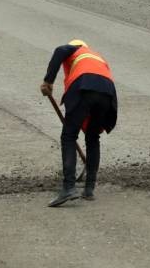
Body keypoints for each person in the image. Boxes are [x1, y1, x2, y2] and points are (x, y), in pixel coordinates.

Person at [39, 39, 118, 206]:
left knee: (68, 136)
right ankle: (89, 190)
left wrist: (48, 81)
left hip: (84, 85)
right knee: (93, 137)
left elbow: (59, 50)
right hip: (107, 91)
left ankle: (69, 187)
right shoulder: (96, 57)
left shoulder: (74, 49)